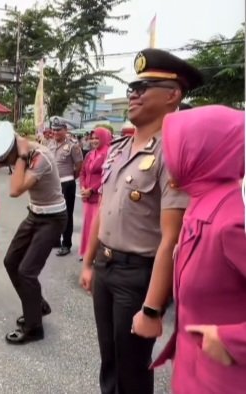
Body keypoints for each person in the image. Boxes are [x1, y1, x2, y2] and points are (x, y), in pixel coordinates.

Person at [79, 48, 204, 394]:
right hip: (106, 267)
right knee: (110, 361)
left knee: (133, 370)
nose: (133, 93)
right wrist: (89, 263)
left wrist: (152, 308)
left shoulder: (174, 153)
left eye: (145, 86)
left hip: (139, 276)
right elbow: (104, 212)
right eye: (133, 86)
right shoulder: (119, 149)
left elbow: (171, 239)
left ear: (173, 95)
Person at [150, 105, 246, 393]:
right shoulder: (202, 198)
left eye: (178, 147)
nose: (168, 157)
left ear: (206, 152)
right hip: (196, 369)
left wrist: (234, 341)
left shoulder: (235, 219)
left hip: (225, 377)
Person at [0, 121, 67, 345]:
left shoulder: (40, 156)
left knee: (27, 271)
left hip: (53, 219)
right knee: (11, 261)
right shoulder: (15, 151)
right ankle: (38, 305)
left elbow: (15, 190)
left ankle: (34, 327)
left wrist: (20, 157)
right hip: (35, 215)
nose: (3, 164)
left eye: (6, 159)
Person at [48, 119, 83, 256]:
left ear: (65, 130)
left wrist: (71, 178)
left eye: (58, 130)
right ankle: (55, 239)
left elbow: (79, 165)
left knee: (66, 214)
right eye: (54, 129)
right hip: (53, 184)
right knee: (53, 213)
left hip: (67, 183)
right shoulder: (50, 144)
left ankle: (66, 244)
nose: (55, 132)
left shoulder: (73, 146)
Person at [78, 127, 112, 260]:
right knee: (87, 225)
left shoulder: (109, 154)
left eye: (97, 138)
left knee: (96, 227)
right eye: (92, 138)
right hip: (87, 197)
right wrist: (83, 187)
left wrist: (91, 189)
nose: (94, 141)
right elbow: (82, 172)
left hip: (99, 197)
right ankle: (86, 252)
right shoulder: (90, 154)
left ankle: (95, 254)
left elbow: (106, 175)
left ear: (104, 138)